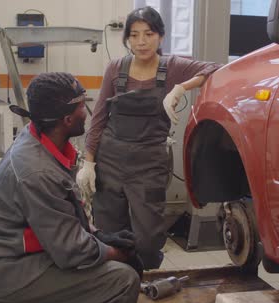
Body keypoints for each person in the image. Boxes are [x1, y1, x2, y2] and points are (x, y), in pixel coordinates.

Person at [0, 72, 142, 303]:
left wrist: (100, 236)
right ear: (67, 119)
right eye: (81, 107)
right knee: (122, 280)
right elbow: (70, 251)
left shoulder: (39, 139)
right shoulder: (36, 171)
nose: (86, 112)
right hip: (10, 268)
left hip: (12, 256)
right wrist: (115, 252)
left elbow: (62, 213)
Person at [77, 6, 223, 269]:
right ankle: (118, 285)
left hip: (149, 164)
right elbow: (98, 118)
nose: (141, 42)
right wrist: (88, 163)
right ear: (127, 39)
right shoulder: (116, 68)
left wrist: (181, 87)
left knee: (148, 237)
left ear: (161, 37)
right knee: (110, 233)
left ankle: (147, 285)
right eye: (134, 35)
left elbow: (216, 69)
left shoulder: (174, 67)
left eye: (149, 34)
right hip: (109, 161)